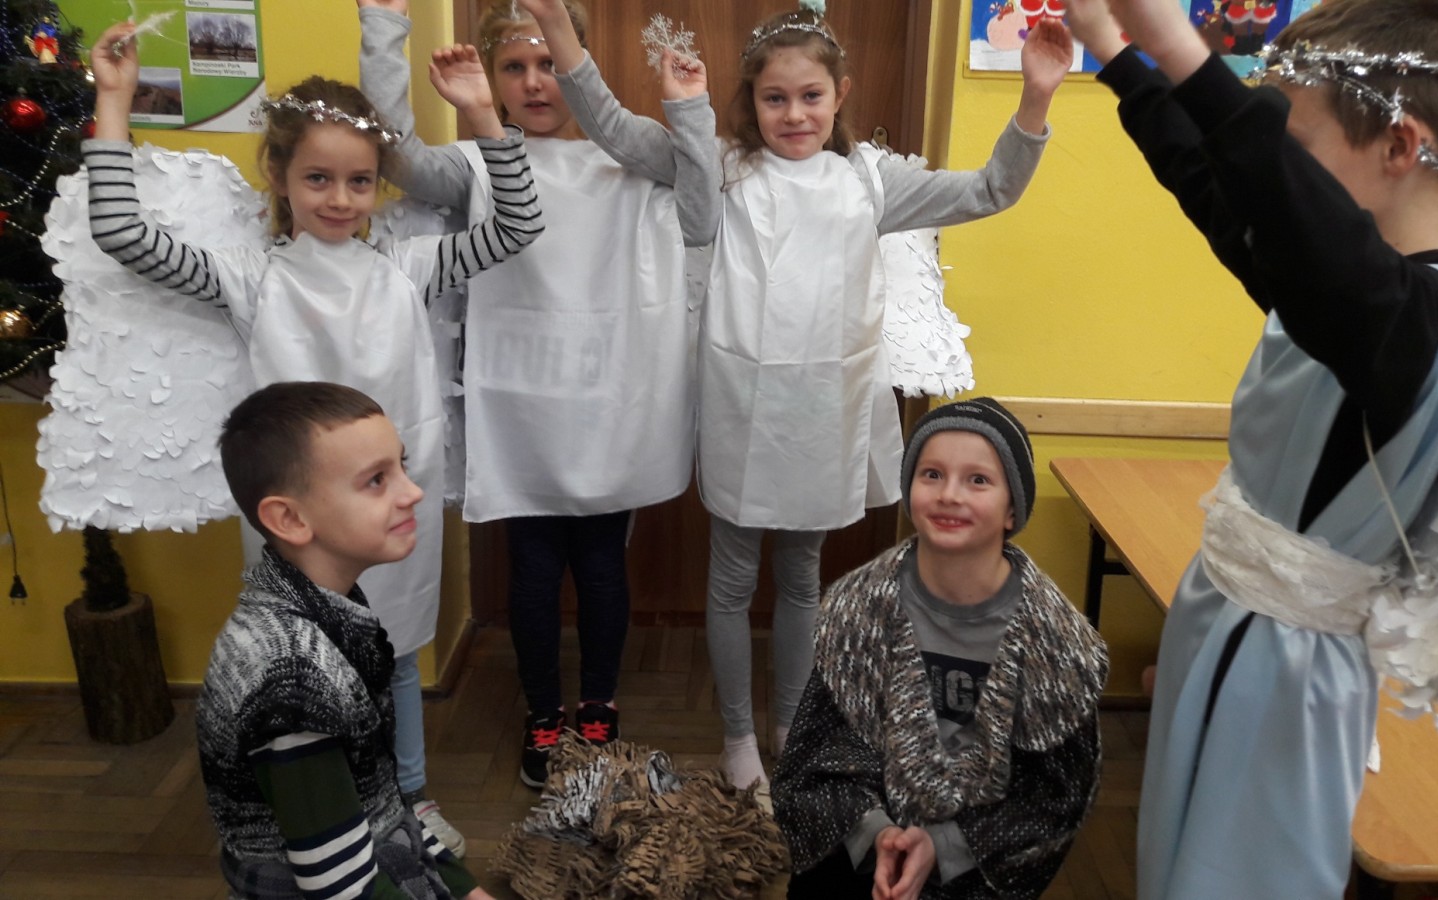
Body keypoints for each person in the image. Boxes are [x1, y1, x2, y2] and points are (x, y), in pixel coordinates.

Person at [1059, 0, 1438, 896]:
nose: (1271, 179)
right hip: (1235, 636)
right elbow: (1216, 185)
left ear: (1399, 146)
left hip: (1286, 680)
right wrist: (1112, 51)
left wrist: (1174, 42)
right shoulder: (1334, 297)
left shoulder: (1414, 320)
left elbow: (1275, 193)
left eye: (1294, 150)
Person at [570, 2, 1074, 789]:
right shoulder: (722, 166)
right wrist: (563, 37)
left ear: (841, 93)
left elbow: (989, 189)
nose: (795, 114)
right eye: (775, 98)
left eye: (811, 96)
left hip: (824, 413)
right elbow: (617, 133)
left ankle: (790, 719)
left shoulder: (871, 178)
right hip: (742, 405)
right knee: (733, 577)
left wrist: (1035, 96)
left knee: (802, 576)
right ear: (751, 101)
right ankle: (737, 734)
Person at [87, 20, 544, 854]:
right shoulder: (251, 279)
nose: (340, 199)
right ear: (280, 176)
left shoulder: (409, 268)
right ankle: (333, 810)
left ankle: (409, 799)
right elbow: (123, 234)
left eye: (360, 181)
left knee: (393, 656)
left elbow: (516, 225)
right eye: (318, 179)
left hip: (388, 509)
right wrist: (113, 102)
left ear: (378, 183)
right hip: (297, 517)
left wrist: (484, 114)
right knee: (303, 665)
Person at [356, 0, 716, 789]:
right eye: (514, 68)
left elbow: (701, 193)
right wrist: (382, 29)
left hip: (609, 399)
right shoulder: (476, 162)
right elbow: (395, 158)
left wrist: (601, 62)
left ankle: (599, 703)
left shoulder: (627, 158)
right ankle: (544, 711)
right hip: (521, 405)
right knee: (532, 568)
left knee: (603, 565)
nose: (533, 82)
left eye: (549, 63)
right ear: (490, 80)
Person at [772, 398, 1108, 899]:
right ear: (909, 490)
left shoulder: (1057, 644)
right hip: (861, 851)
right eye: (932, 474)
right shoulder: (858, 613)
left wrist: (944, 845)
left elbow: (1054, 797)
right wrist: (879, 835)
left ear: (1012, 509)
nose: (950, 495)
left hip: (979, 861)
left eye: (978, 480)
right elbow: (817, 758)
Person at [197, 381, 497, 899]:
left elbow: (384, 804)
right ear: (290, 519)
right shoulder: (292, 685)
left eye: (401, 466)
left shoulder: (326, 610)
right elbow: (345, 888)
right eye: (377, 480)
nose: (413, 492)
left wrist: (465, 890)